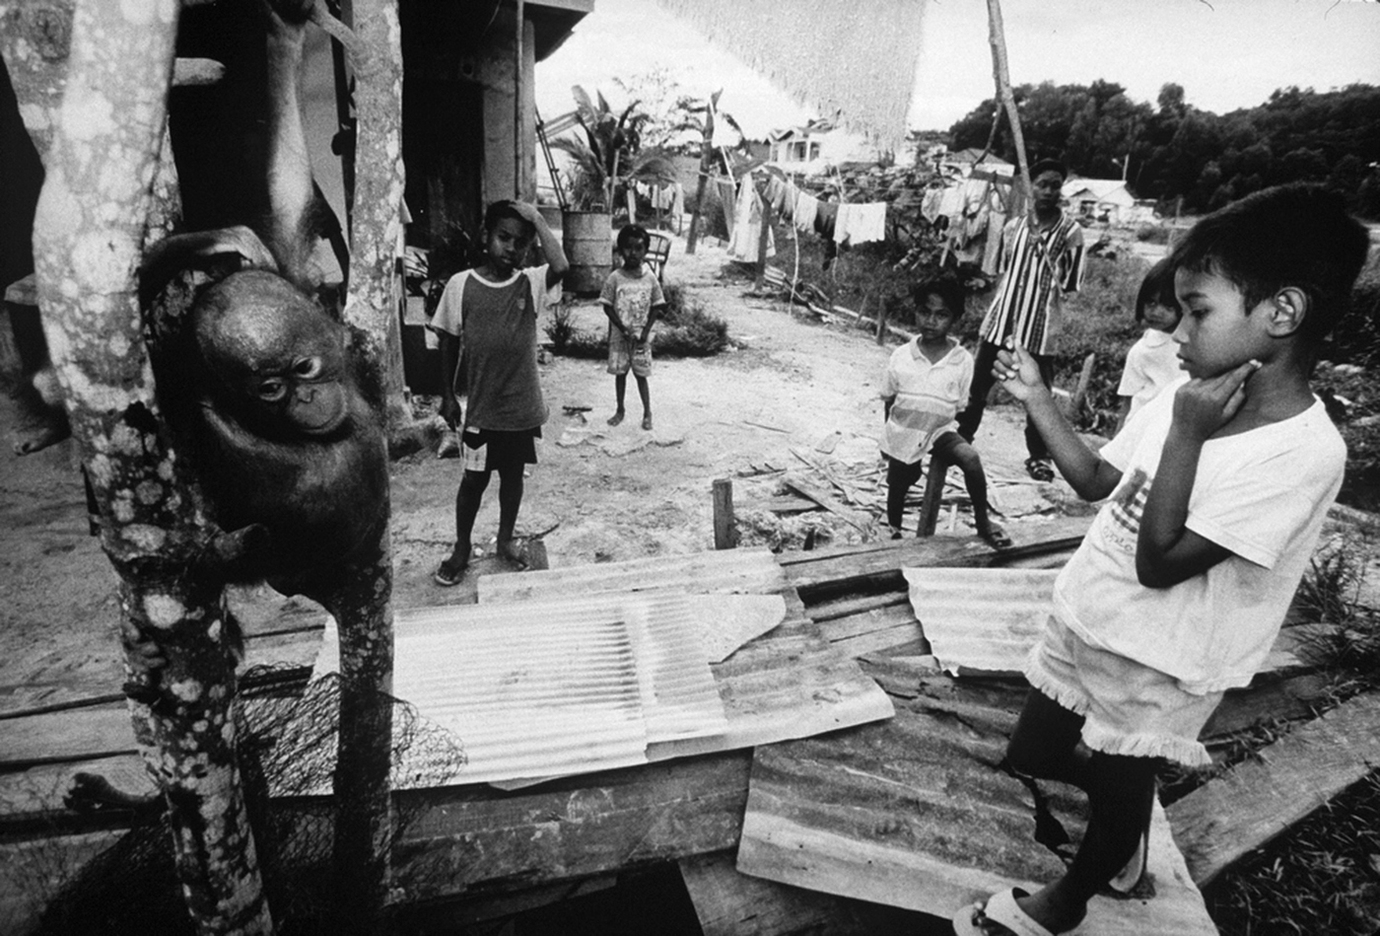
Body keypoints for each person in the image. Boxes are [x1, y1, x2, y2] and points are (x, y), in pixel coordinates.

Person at [953, 183, 1368, 936]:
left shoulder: (1302, 453)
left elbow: (1161, 562)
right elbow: (1096, 482)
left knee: (1117, 780)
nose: (1176, 329)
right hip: (1091, 617)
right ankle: (1125, 807)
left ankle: (1069, 897)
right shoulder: (1184, 391)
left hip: (1159, 661)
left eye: (1199, 309)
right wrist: (1039, 398)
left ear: (1282, 313)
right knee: (1036, 750)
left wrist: (1188, 433)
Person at [430, 200, 569, 586]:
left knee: (512, 476)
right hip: (481, 411)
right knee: (473, 482)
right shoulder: (462, 285)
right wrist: (446, 395)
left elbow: (561, 267)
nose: (512, 248)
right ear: (485, 237)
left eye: (520, 242)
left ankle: (505, 540)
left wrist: (538, 219)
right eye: (504, 238)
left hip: (522, 410)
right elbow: (447, 342)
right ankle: (461, 547)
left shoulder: (530, 282)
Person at [956, 158, 1085, 482]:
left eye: (1055, 185)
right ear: (1030, 186)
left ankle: (1039, 457)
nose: (1048, 191)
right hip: (1002, 322)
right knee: (976, 390)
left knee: (1038, 397)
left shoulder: (1071, 232)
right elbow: (1001, 269)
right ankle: (960, 442)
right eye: (1042, 184)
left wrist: (1051, 264)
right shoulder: (1014, 227)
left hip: (1040, 330)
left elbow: (1071, 284)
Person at [879, 275, 1010, 548]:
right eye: (925, 312)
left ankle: (983, 522)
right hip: (905, 429)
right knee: (900, 480)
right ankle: (893, 527)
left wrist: (954, 441)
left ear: (955, 319)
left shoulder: (962, 360)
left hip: (940, 430)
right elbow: (889, 400)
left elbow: (961, 406)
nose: (931, 321)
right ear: (916, 311)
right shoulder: (901, 355)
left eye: (941, 315)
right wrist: (889, 440)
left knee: (971, 459)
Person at [601, 223, 666, 431]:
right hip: (620, 338)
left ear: (646, 250)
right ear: (621, 250)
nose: (633, 253)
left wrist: (645, 332)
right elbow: (607, 306)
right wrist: (621, 328)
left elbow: (657, 306)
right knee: (620, 374)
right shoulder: (615, 278)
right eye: (629, 248)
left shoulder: (650, 278)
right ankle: (620, 410)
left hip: (640, 339)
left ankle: (647, 412)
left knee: (641, 375)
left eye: (639, 248)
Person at [1115, 257, 1183, 433]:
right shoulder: (1142, 350)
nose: (1156, 312)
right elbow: (1128, 400)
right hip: (1139, 430)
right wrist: (1117, 438)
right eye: (1151, 302)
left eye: (1168, 305)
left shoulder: (1195, 346)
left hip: (1171, 431)